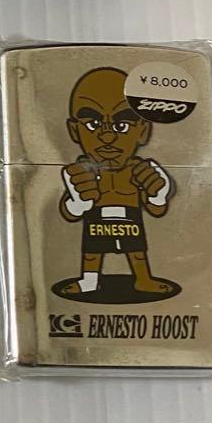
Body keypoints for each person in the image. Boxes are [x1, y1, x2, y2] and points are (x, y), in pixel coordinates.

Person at [57, 67, 175, 297]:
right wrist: (77, 202)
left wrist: (158, 193)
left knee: (136, 250)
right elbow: (69, 213)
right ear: (74, 130)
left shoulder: (138, 169)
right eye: (93, 124)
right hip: (96, 217)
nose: (108, 136)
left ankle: (143, 279)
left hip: (131, 216)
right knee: (92, 252)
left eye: (122, 125)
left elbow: (156, 209)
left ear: (143, 131)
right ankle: (89, 281)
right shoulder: (81, 172)